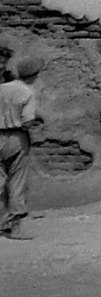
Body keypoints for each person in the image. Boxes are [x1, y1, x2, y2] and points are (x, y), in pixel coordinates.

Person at [1, 52, 44, 240]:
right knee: (17, 180)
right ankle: (15, 227)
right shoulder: (27, 92)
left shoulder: (2, 88)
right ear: (34, 75)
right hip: (16, 138)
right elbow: (27, 121)